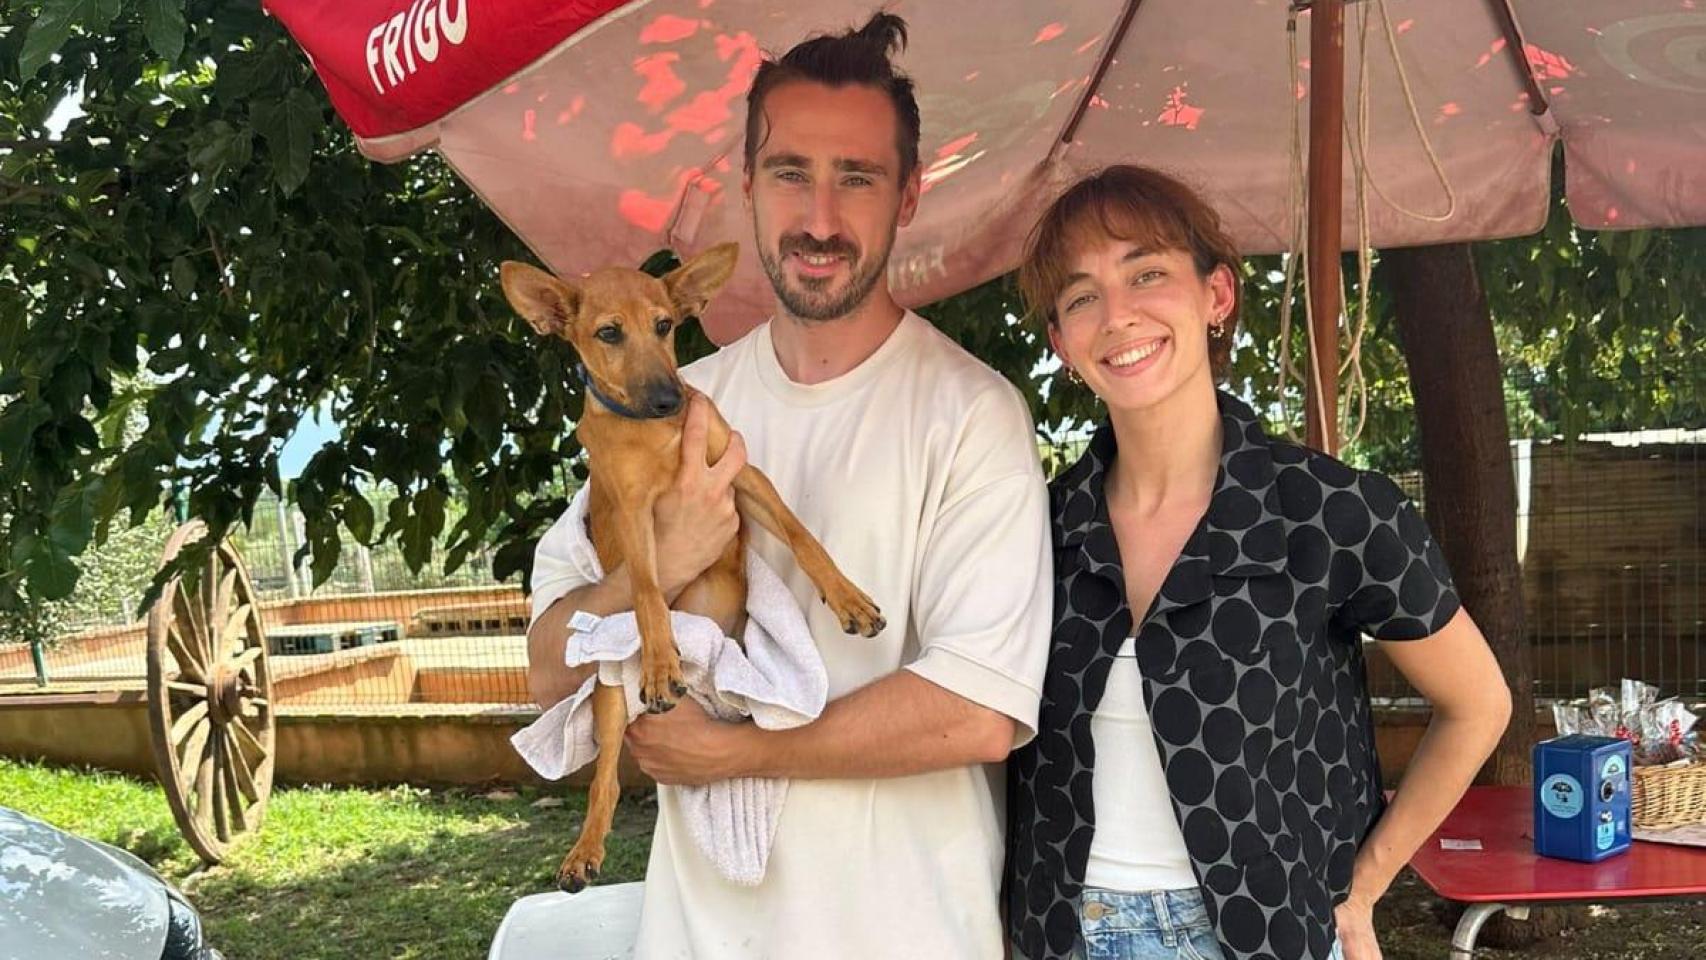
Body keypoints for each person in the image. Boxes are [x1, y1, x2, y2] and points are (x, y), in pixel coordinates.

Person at [525, 13, 1053, 959]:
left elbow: (978, 712)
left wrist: (742, 752)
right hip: (701, 936)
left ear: (908, 195)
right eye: (789, 173)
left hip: (908, 934)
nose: (818, 217)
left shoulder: (972, 413)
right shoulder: (670, 403)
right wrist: (668, 558)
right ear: (747, 189)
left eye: (856, 177)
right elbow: (547, 664)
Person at [1003, 165, 1513, 960]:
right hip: (1066, 934)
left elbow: (1479, 706)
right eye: (1080, 297)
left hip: (1270, 934)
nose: (1118, 315)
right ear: (1063, 345)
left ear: (1216, 296)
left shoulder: (1331, 512)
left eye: (1147, 273)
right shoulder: (1034, 529)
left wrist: (1367, 884)